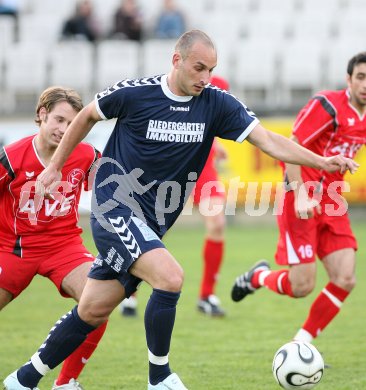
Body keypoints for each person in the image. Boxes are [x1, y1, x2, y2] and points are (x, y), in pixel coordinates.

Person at [3, 30, 358, 390]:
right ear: (177, 60)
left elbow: (267, 140)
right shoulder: (136, 93)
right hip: (115, 206)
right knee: (170, 277)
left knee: (95, 308)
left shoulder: (217, 104)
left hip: (152, 221)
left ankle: (23, 379)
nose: (205, 78)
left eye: (211, 69)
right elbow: (88, 116)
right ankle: (159, 378)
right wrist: (54, 167)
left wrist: (322, 161)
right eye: (198, 68)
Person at [231, 52, 366, 346]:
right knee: (301, 286)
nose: (365, 84)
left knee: (345, 278)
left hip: (333, 202)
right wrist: (301, 193)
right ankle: (259, 277)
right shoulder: (327, 105)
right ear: (349, 79)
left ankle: (300, 345)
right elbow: (291, 146)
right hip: (301, 197)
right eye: (361, 77)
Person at [0, 86, 106, 390]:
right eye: (59, 120)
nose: (64, 130)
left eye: (72, 124)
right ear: (41, 115)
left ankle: (65, 383)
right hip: (12, 249)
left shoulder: (86, 155)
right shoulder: (12, 157)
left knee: (99, 302)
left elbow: (112, 186)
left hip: (64, 246)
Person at [120, 75, 230, 318]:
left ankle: (207, 296)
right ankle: (129, 295)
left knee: (217, 223)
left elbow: (214, 118)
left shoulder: (217, 84)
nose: (202, 73)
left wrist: (215, 145)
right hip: (172, 168)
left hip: (203, 169)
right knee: (149, 231)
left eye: (207, 66)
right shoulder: (170, 88)